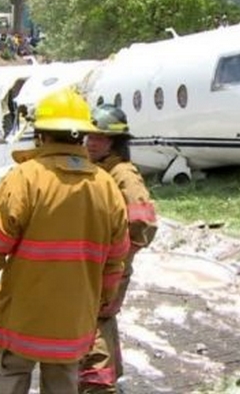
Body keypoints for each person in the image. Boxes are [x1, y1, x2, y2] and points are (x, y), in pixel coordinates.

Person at [0, 87, 129, 394]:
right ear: (82, 137)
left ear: (41, 135)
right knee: (63, 381)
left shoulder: (24, 178)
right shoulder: (105, 185)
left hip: (22, 317)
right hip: (73, 321)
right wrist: (104, 296)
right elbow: (117, 257)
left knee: (12, 376)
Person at [79, 105, 158, 394]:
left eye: (98, 138)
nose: (91, 142)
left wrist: (120, 256)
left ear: (114, 142)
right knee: (102, 319)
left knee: (95, 321)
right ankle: (111, 377)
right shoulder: (101, 170)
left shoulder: (123, 174)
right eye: (89, 136)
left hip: (111, 266)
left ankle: (99, 387)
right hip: (100, 264)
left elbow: (143, 222)